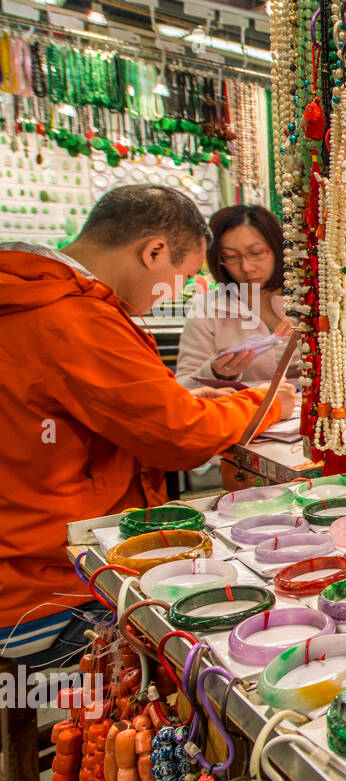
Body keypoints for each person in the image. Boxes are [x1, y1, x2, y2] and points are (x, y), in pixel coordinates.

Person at [0, 185, 296, 663]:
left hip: (30, 559)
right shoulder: (73, 318)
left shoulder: (36, 299)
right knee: (230, 650)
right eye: (181, 277)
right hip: (50, 588)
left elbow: (130, 411)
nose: (174, 293)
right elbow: (180, 437)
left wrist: (184, 400)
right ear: (153, 251)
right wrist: (265, 402)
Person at [176, 205, 297, 388]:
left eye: (256, 253)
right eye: (230, 257)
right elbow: (184, 386)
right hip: (244, 413)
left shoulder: (309, 300)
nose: (246, 267)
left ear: (278, 248)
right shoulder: (208, 308)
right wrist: (216, 372)